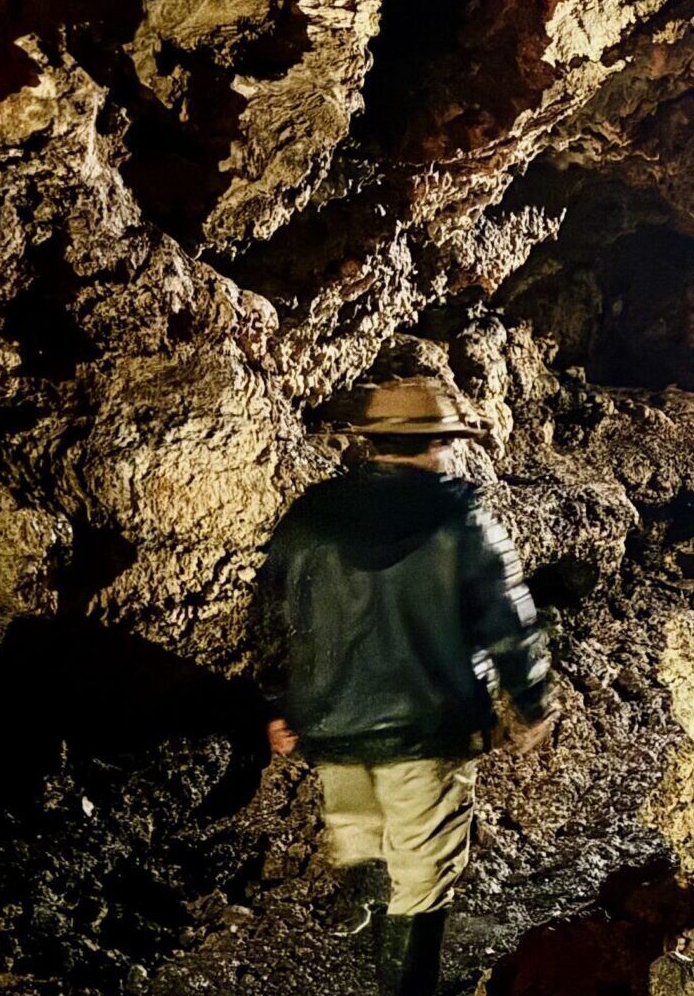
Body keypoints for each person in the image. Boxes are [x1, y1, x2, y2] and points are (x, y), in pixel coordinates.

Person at [249, 376, 554, 996]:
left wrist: (277, 705)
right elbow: (509, 619)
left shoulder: (313, 511)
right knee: (423, 878)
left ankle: (361, 911)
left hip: (332, 724)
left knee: (360, 839)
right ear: (441, 441)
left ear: (373, 442)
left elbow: (272, 616)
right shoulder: (462, 513)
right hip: (428, 726)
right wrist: (530, 704)